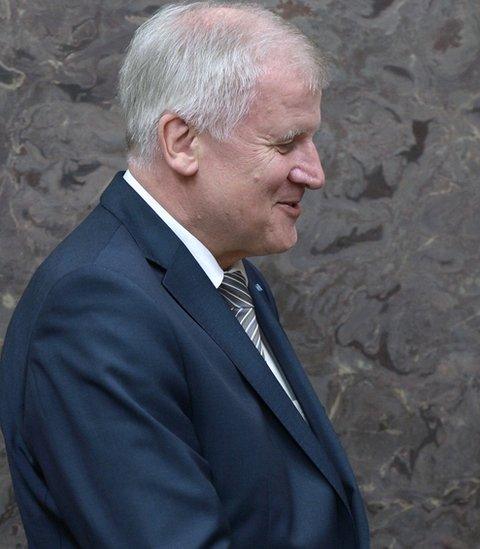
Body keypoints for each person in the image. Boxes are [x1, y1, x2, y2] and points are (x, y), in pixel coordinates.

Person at [0, 3, 369, 547]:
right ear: (181, 142)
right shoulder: (96, 311)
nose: (313, 173)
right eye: (286, 142)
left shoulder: (224, 270)